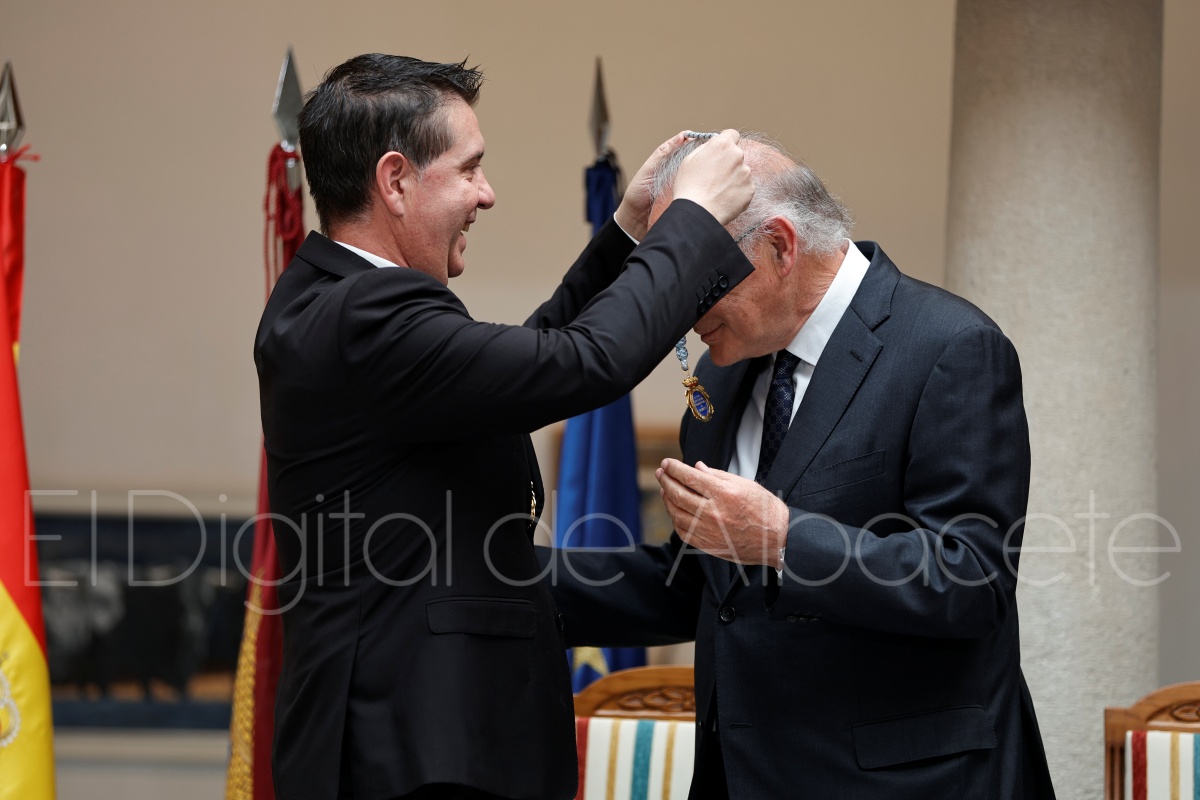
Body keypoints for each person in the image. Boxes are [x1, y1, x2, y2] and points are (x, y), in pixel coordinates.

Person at [253, 53, 756, 800]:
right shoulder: (366, 313)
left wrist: (625, 231)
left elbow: (524, 367)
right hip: (415, 756)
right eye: (469, 169)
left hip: (411, 743)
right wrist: (695, 219)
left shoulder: (329, 300)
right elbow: (585, 362)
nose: (486, 194)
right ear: (395, 181)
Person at [539, 133, 1057, 799]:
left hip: (907, 783)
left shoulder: (950, 347)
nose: (679, 317)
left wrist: (783, 538)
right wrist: (496, 580)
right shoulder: (722, 377)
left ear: (780, 247)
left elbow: (970, 579)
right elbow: (707, 585)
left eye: (693, 283)